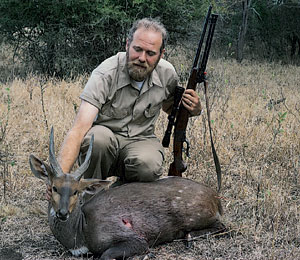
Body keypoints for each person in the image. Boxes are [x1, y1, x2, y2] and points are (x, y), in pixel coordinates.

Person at [54, 18, 202, 189]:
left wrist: (194, 109)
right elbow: (79, 129)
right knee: (97, 141)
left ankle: (124, 196)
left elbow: (172, 110)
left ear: (161, 54)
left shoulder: (167, 74)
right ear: (127, 45)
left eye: (150, 53)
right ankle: (90, 197)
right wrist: (58, 181)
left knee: (148, 164)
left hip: (140, 140)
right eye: (137, 49)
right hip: (106, 143)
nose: (142, 58)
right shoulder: (105, 73)